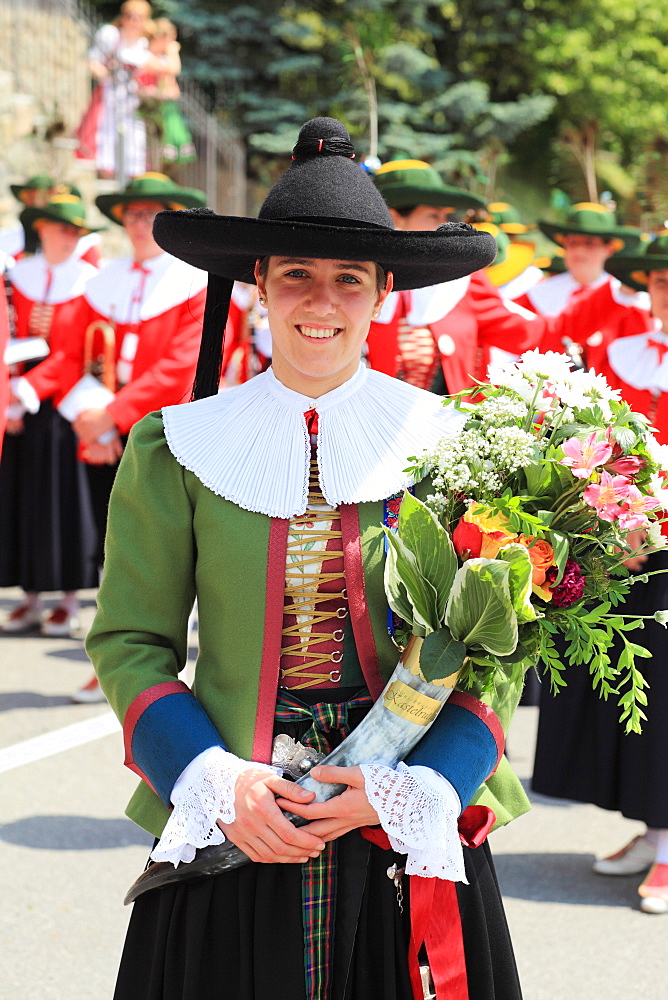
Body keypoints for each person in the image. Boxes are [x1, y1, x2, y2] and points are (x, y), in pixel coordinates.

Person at [86, 116, 526, 1000]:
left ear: (382, 293)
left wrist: (417, 789)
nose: (320, 302)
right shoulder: (175, 446)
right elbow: (131, 641)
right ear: (258, 282)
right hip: (242, 808)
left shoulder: (452, 446)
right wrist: (214, 781)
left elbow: (498, 649)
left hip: (391, 801)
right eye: (296, 275)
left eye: (348, 280)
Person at [532, 234, 668, 914]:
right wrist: (616, 522)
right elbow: (596, 445)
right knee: (625, 688)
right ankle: (654, 828)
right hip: (626, 548)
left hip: (662, 544)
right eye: (662, 283)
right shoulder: (621, 356)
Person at [64, 172, 207, 701]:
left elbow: (179, 366)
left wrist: (115, 415)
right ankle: (121, 663)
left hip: (168, 432)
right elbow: (77, 351)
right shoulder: (103, 279)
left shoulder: (193, 280)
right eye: (132, 215)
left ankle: (181, 667)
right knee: (119, 548)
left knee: (169, 549)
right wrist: (91, 418)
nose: (140, 224)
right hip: (111, 430)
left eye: (151, 214)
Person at [0, 194, 102, 636]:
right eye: (63, 228)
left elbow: (75, 351)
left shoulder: (89, 281)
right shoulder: (17, 277)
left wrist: (30, 389)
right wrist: (10, 397)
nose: (71, 238)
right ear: (42, 229)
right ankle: (30, 596)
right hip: (19, 410)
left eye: (77, 231)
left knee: (62, 505)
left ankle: (66, 600)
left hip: (63, 407)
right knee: (20, 501)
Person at [76, 0, 167, 180]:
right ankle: (107, 175)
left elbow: (162, 67)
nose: (133, 21)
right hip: (110, 94)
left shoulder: (145, 42)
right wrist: (108, 74)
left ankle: (130, 177)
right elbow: (93, 62)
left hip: (134, 98)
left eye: (138, 17)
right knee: (107, 133)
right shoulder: (111, 35)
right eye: (129, 16)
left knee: (134, 136)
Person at [135, 17, 196, 169]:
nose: (171, 44)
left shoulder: (162, 58)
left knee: (169, 150)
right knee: (150, 149)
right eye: (169, 39)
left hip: (164, 106)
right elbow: (174, 69)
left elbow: (173, 87)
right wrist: (173, 52)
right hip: (148, 109)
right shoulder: (145, 56)